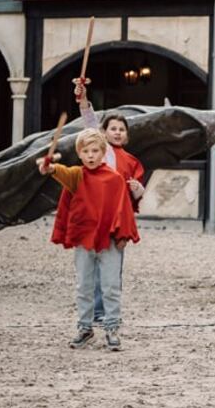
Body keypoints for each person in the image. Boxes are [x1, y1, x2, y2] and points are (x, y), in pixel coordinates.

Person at [38, 128, 140, 352]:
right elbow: (60, 171)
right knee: (84, 286)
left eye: (95, 151)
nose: (91, 155)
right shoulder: (77, 176)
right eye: (86, 151)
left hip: (110, 240)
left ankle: (112, 327)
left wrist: (123, 235)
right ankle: (85, 328)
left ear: (103, 153)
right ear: (80, 154)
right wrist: (50, 167)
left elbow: (123, 208)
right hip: (85, 240)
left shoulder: (114, 179)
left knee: (111, 286)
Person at [74, 80, 146, 324]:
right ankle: (96, 311)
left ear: (126, 136)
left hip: (117, 219)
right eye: (112, 128)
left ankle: (108, 312)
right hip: (95, 216)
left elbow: (136, 195)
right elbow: (90, 122)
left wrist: (138, 189)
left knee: (113, 268)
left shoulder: (132, 161)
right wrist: (83, 99)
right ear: (104, 133)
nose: (117, 132)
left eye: (121, 129)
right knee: (92, 268)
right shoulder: (101, 151)